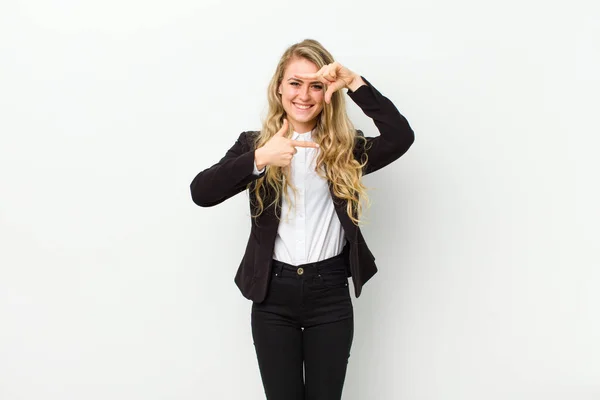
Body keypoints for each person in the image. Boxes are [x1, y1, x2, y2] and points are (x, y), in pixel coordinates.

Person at [190, 39, 414, 400]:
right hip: (272, 297)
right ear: (279, 86)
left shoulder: (346, 149)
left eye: (316, 85)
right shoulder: (254, 146)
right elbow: (201, 192)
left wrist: (355, 81)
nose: (304, 95)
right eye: (295, 83)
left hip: (329, 295)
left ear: (328, 92)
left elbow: (401, 136)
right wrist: (260, 158)